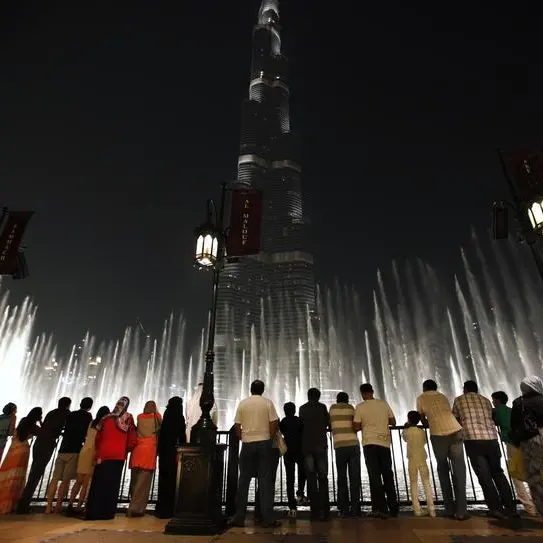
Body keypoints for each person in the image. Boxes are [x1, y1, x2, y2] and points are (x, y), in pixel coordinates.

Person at [453, 380, 516, 519]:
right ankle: (511, 508)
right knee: (498, 473)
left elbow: (455, 419)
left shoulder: (459, 400)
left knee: (484, 476)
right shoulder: (486, 400)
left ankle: (495, 508)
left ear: (465, 389)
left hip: (473, 439)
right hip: (492, 439)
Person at [229, 379, 280, 528]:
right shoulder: (268, 403)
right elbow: (274, 422)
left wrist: (243, 437)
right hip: (264, 443)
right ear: (262, 390)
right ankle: (267, 518)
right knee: (265, 481)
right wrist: (268, 439)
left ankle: (239, 517)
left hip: (247, 444)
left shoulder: (243, 403)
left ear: (250, 389)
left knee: (243, 480)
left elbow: (237, 425)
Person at [417, 379, 467, 520]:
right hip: (456, 430)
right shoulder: (442, 396)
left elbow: (422, 418)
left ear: (424, 388)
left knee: (443, 470)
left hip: (439, 434)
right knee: (459, 471)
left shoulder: (421, 398)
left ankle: (449, 509)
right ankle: (462, 511)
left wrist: (429, 424)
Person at [17, 397, 72, 514]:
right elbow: (68, 429)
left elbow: (45, 426)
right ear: (68, 405)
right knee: (37, 474)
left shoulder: (51, 412)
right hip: (48, 444)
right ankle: (23, 506)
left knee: (34, 472)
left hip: (38, 443)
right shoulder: (67, 414)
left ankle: (23, 502)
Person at [85, 397, 136, 520]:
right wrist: (128, 449)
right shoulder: (128, 417)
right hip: (118, 456)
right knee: (112, 484)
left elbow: (98, 437)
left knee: (98, 483)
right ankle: (107, 513)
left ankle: (93, 511)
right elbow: (132, 438)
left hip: (103, 455)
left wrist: (98, 452)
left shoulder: (106, 417)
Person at [353, 383, 398, 519]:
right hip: (384, 443)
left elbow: (355, 426)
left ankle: (381, 509)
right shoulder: (383, 404)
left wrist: (365, 424)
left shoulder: (360, 407)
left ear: (362, 393)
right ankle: (394, 508)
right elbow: (393, 422)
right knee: (388, 475)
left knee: (375, 477)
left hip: (370, 444)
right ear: (372, 392)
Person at [46, 397, 94, 514]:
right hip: (75, 450)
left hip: (62, 449)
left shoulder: (71, 415)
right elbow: (87, 433)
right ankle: (58, 506)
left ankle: (48, 506)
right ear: (90, 406)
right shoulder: (88, 417)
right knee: (66, 480)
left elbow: (65, 427)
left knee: (55, 478)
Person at [492, 391, 536, 517]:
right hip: (523, 443)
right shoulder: (511, 410)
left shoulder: (497, 411)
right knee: (529, 471)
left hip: (512, 444)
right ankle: (536, 503)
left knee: (516, 474)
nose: (493, 403)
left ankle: (529, 506)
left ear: (498, 401)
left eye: (493, 400)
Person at [510, 376, 543, 517]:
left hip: (531, 441)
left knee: (534, 476)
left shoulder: (519, 402)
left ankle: (540, 509)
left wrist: (517, 442)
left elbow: (515, 425)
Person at [68, 406, 110, 514]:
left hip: (84, 450)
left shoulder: (92, 422)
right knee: (86, 482)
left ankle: (70, 504)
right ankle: (80, 506)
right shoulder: (104, 425)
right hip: (93, 452)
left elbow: (87, 435)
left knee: (79, 480)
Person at [0, 407, 42, 514]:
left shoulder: (23, 420)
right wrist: (41, 421)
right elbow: (42, 432)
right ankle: (10, 504)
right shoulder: (33, 426)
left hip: (13, 448)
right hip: (23, 450)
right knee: (17, 475)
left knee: (8, 472)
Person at [299, 387, 330, 521]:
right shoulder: (322, 407)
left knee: (311, 477)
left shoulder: (302, 408)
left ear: (308, 396)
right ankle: (325, 509)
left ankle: (314, 510)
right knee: (322, 477)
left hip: (307, 447)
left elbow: (301, 424)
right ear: (318, 396)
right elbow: (327, 423)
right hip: (320, 446)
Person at [127, 400, 162, 517]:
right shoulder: (157, 416)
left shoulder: (139, 417)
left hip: (137, 451)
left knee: (134, 481)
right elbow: (161, 430)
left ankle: (132, 506)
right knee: (143, 483)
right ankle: (136, 509)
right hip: (149, 452)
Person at [329, 392, 361, 517]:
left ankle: (343, 509)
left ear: (337, 400)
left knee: (341, 478)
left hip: (340, 446)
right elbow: (356, 424)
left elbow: (329, 423)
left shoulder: (332, 409)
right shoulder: (351, 409)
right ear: (347, 400)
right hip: (353, 445)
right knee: (355, 478)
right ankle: (355, 508)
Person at [155, 396, 186, 519]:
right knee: (173, 479)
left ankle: (161, 508)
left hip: (164, 452)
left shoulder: (166, 416)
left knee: (163, 478)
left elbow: (162, 435)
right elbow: (181, 434)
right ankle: (171, 507)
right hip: (174, 451)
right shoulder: (179, 417)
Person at [402, 411, 435, 517]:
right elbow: (425, 441)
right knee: (427, 483)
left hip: (412, 459)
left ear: (408, 419)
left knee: (413, 484)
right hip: (422, 459)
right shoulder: (421, 432)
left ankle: (417, 509)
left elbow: (404, 438)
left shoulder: (406, 432)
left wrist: (405, 427)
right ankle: (432, 509)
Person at [279, 402, 306, 516]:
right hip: (300, 451)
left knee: (290, 479)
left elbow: (280, 432)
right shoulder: (300, 420)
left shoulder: (283, 422)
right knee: (302, 473)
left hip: (288, 452)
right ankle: (300, 493)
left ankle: (291, 505)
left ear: (285, 411)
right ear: (294, 410)